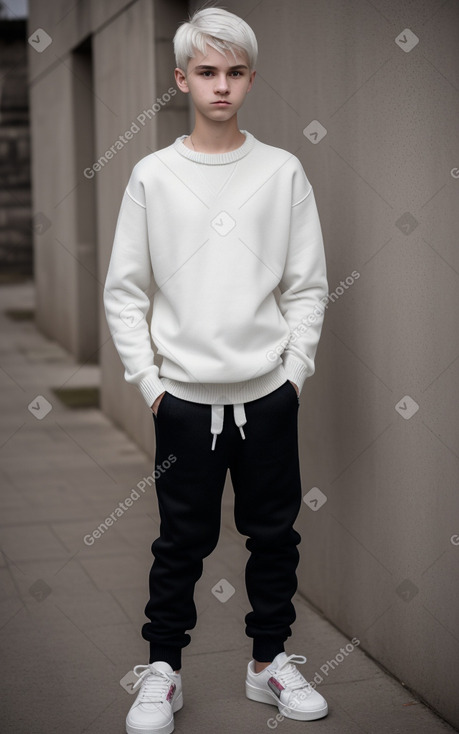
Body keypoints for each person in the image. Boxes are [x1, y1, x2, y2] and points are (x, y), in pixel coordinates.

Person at [103, 6, 329, 733]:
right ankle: (162, 672)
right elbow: (124, 292)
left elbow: (306, 286)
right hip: (184, 404)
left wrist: (293, 374)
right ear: (181, 79)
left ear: (250, 79)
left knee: (275, 537)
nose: (221, 86)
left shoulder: (281, 171)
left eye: (234, 72)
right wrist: (153, 388)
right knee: (179, 543)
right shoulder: (153, 176)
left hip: (266, 396)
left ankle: (268, 664)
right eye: (206, 72)